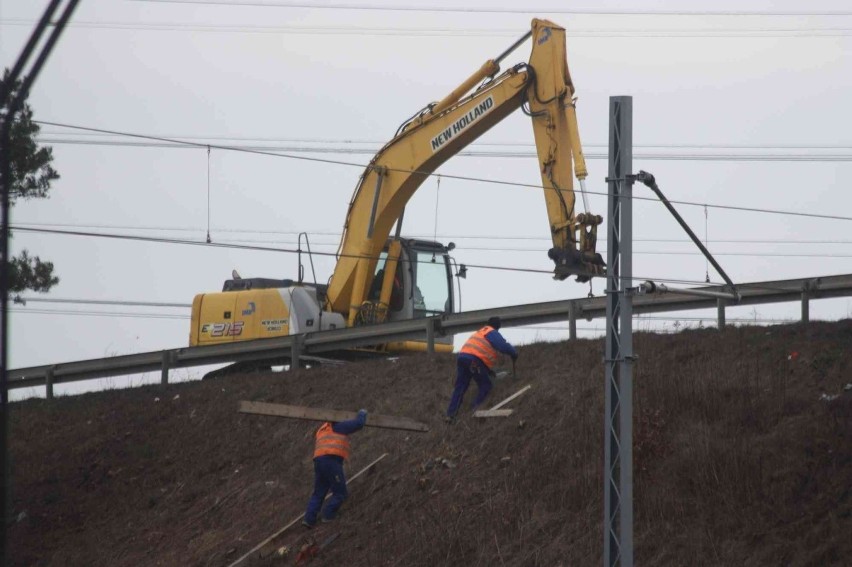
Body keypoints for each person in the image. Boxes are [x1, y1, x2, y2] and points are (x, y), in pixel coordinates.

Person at [302, 409, 368, 528]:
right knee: (340, 493)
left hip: (319, 461)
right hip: (331, 462)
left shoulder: (322, 429)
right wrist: (362, 413)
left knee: (318, 492)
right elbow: (359, 423)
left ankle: (309, 519)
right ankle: (328, 515)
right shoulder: (337, 426)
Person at [445, 316, 518, 422]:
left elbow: (479, 354)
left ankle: (450, 415)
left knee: (460, 386)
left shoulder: (480, 332)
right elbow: (503, 346)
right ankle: (474, 409)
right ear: (498, 327)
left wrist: (488, 372)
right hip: (473, 360)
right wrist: (514, 353)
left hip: (463, 358)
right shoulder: (492, 332)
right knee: (486, 385)